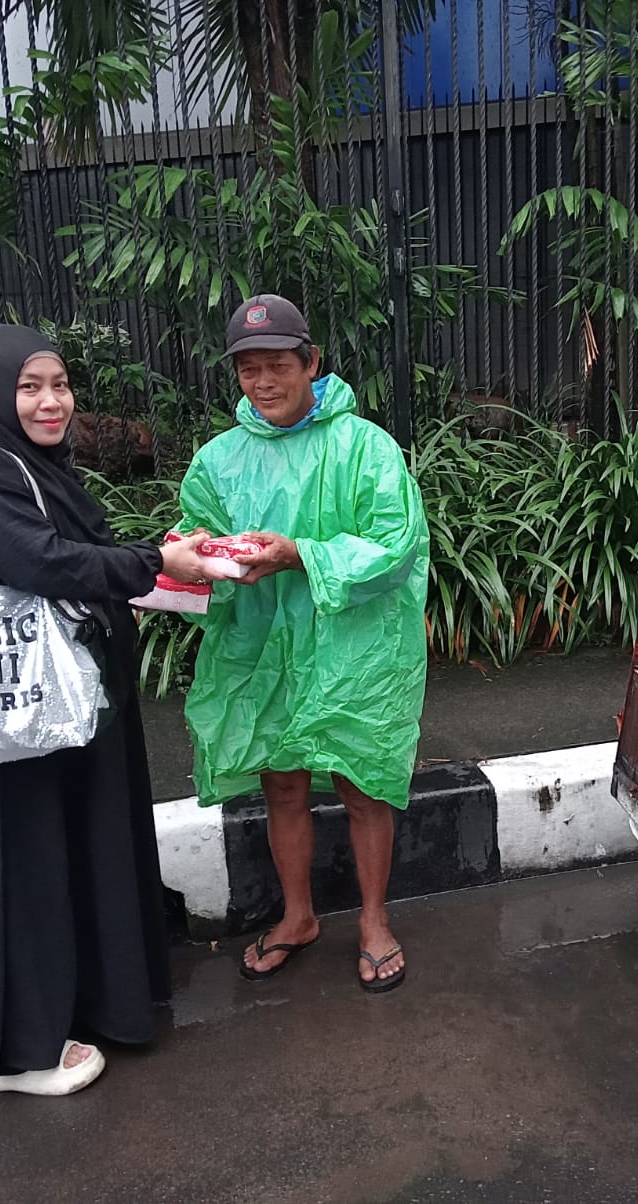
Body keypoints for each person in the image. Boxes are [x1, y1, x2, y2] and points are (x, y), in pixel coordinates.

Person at [0, 323, 211, 1095]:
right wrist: (153, 562)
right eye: (29, 387)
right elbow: (39, 562)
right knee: (24, 861)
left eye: (59, 384)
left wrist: (160, 568)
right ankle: (22, 1052)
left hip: (54, 705)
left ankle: (90, 1004)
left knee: (66, 848)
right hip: (6, 717)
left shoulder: (31, 463)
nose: (52, 402)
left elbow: (74, 558)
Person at [178, 295, 429, 992]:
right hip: (263, 648)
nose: (264, 382)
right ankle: (298, 916)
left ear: (311, 363)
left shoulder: (365, 447)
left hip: (353, 651)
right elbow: (196, 542)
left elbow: (396, 546)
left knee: (360, 782)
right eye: (249, 369)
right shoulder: (218, 461)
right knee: (281, 782)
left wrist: (302, 556)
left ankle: (374, 920)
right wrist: (189, 560)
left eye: (278, 366)